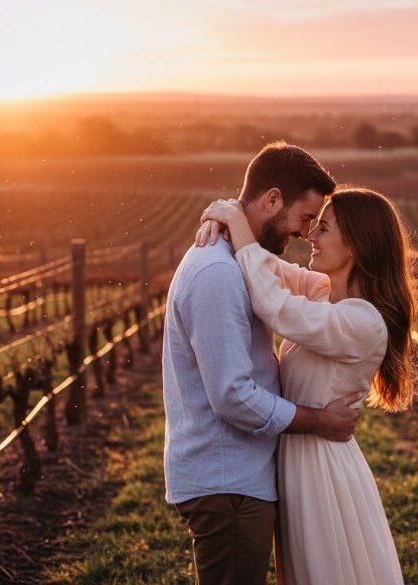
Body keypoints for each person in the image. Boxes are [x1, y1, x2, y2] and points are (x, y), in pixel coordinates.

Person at [162, 142, 365, 585]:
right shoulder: (217, 273)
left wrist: (233, 218)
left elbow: (295, 282)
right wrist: (320, 421)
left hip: (239, 479)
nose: (305, 233)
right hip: (227, 481)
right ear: (272, 199)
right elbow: (233, 396)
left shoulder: (239, 259)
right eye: (305, 219)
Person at [195, 186, 418, 585]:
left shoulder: (362, 322)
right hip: (297, 458)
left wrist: (236, 223)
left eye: (324, 228)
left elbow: (274, 304)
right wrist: (231, 217)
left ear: (355, 246)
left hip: (320, 469)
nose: (311, 237)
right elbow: (265, 268)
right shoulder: (323, 294)